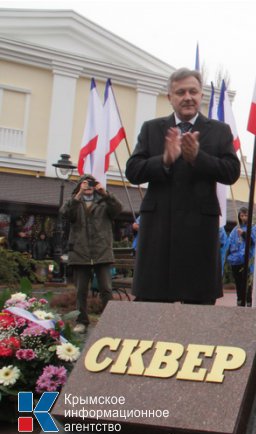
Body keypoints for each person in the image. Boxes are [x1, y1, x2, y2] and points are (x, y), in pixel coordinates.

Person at [125, 68, 240, 304]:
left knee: (198, 307)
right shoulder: (152, 128)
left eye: (193, 91)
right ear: (170, 97)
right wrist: (164, 160)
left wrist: (198, 156)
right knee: (152, 304)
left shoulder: (219, 131)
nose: (187, 97)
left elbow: (231, 172)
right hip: (159, 228)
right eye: (180, 92)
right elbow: (133, 171)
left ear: (200, 95)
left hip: (199, 229)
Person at [60, 175, 122, 333]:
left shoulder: (104, 202)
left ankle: (110, 322)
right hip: (80, 253)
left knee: (106, 289)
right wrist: (78, 195)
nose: (88, 186)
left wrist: (105, 193)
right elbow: (65, 213)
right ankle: (82, 322)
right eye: (84, 184)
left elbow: (118, 209)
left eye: (90, 184)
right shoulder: (75, 202)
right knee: (81, 290)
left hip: (102, 252)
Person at [227, 207, 256, 306]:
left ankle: (248, 300)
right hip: (235, 260)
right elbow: (229, 243)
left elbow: (252, 241)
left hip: (246, 260)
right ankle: (239, 300)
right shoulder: (235, 229)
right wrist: (229, 255)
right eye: (242, 215)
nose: (244, 217)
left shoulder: (253, 227)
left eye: (246, 215)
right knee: (238, 282)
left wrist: (243, 234)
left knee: (247, 282)